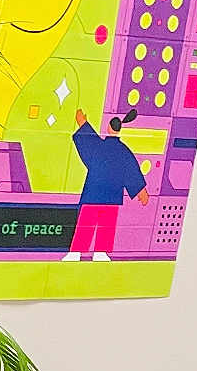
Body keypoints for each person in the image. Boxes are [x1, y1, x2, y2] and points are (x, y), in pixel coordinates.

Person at [63, 106, 149, 261]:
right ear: (119, 130)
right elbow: (132, 170)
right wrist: (141, 190)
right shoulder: (124, 151)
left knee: (87, 222)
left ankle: (76, 251)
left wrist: (82, 123)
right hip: (111, 195)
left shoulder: (98, 146)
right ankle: (101, 252)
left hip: (93, 193)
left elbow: (88, 139)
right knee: (107, 224)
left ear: (109, 128)